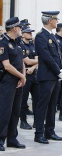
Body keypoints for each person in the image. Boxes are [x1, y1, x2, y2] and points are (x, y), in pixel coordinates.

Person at [34, 11, 62, 144]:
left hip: (55, 76)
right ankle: (39, 133)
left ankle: (50, 131)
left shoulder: (51, 35)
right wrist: (58, 71)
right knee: (43, 105)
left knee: (53, 105)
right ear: (49, 20)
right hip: (47, 76)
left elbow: (59, 54)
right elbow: (46, 57)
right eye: (55, 19)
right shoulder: (41, 36)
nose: (57, 21)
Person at [0, 17, 26, 151]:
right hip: (7, 81)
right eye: (20, 27)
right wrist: (22, 76)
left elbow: (21, 61)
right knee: (5, 111)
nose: (22, 29)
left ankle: (12, 138)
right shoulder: (3, 43)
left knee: (15, 111)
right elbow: (7, 66)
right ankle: (0, 139)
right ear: (15, 28)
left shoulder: (18, 42)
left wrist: (23, 76)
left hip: (18, 81)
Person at [19, 26, 39, 130]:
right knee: (23, 99)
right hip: (25, 74)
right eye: (28, 32)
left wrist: (33, 66)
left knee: (37, 99)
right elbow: (26, 61)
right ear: (22, 34)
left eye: (31, 32)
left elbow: (36, 59)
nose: (30, 34)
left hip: (34, 73)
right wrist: (34, 63)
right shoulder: (21, 45)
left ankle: (37, 122)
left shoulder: (32, 45)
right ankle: (23, 121)